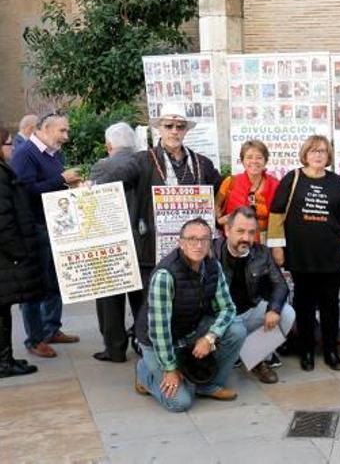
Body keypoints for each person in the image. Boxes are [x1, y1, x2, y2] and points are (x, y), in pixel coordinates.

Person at [134, 218, 246, 412]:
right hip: (157, 340)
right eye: (192, 239)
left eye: (204, 239)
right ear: (181, 243)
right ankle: (144, 372)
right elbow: (159, 331)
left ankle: (208, 385)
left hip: (190, 329)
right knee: (180, 403)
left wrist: (210, 337)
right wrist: (169, 369)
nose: (198, 244)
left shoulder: (213, 266)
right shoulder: (165, 274)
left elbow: (228, 308)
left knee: (237, 329)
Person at [268, 135, 340, 372]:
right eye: (314, 151)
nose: (318, 155)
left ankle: (330, 351)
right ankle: (306, 350)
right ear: (305, 154)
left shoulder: (336, 182)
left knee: (330, 306)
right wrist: (277, 246)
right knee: (304, 306)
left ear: (329, 156)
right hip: (301, 255)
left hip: (331, 255)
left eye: (323, 151)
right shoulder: (292, 178)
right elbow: (276, 214)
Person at [11, 110, 83, 358]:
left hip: (54, 227)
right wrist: (61, 180)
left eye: (67, 130)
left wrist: (69, 185)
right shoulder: (25, 155)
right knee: (35, 286)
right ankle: (35, 338)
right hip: (35, 230)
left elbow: (51, 185)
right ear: (44, 129)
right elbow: (25, 192)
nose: (66, 136)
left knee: (55, 282)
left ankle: (51, 329)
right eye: (62, 130)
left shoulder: (53, 153)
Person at [132, 105, 222, 294]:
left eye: (180, 126)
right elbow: (120, 180)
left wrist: (220, 214)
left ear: (186, 130)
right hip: (156, 247)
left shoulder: (202, 163)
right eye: (169, 126)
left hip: (194, 246)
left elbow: (220, 192)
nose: (174, 131)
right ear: (159, 128)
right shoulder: (142, 160)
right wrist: (92, 183)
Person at [213, 207, 293, 384]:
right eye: (240, 231)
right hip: (222, 317)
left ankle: (256, 359)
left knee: (286, 313)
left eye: (251, 232)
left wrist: (273, 309)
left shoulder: (262, 252)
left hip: (249, 311)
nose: (246, 238)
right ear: (227, 230)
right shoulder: (211, 251)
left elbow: (280, 284)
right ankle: (233, 354)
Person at [89, 122, 143, 362]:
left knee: (110, 297)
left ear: (109, 145)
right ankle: (143, 342)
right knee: (142, 295)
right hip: (142, 239)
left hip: (111, 238)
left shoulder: (102, 167)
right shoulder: (146, 162)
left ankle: (115, 348)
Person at [0, 128, 42, 378]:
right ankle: (4, 362)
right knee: (2, 312)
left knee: (3, 311)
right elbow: (3, 219)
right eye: (8, 143)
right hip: (6, 257)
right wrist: (18, 252)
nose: (12, 148)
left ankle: (6, 359)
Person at [216, 140, 280, 243]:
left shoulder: (275, 185)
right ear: (242, 161)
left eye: (259, 158)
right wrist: (220, 220)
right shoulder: (230, 182)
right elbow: (216, 207)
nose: (254, 161)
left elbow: (279, 219)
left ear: (265, 161)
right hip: (234, 243)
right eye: (249, 157)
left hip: (264, 245)